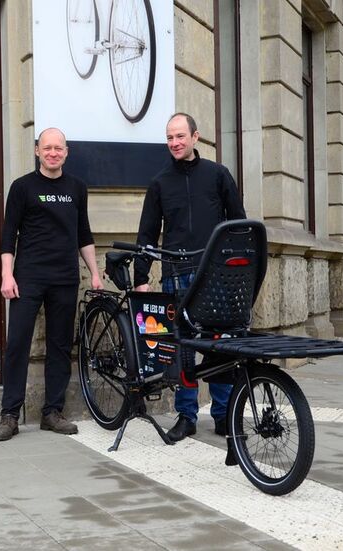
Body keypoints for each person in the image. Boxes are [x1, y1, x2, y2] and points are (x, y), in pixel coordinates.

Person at [133, 113, 246, 443]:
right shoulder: (159, 183)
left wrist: (237, 269)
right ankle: (186, 416)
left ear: (196, 137)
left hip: (215, 275)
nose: (175, 143)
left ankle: (224, 414)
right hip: (176, 275)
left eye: (180, 136)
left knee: (218, 345)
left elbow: (238, 223)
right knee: (181, 349)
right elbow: (148, 233)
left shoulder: (218, 175)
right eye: (169, 138)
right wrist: (142, 277)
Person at [0, 127, 103, 441]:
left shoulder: (77, 188)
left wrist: (94, 272)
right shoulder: (22, 187)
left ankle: (52, 412)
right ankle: (10, 414)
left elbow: (84, 234)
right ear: (38, 151)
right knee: (17, 345)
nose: (53, 152)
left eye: (59, 148)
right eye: (47, 147)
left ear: (66, 152)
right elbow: (8, 234)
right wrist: (7, 274)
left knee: (59, 346)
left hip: (65, 278)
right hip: (28, 277)